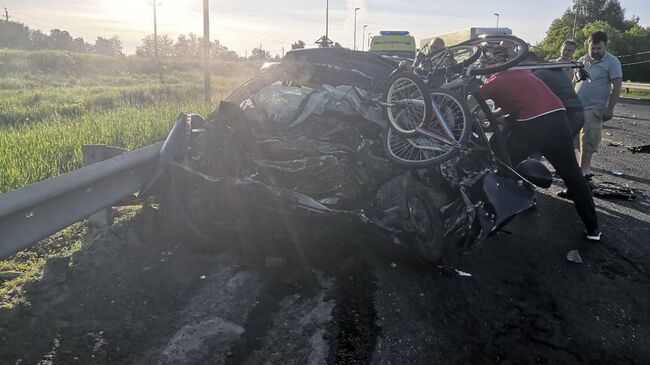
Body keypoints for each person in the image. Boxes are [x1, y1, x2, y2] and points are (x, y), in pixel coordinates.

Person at [470, 49, 601, 241]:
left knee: (501, 163)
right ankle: (593, 230)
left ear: (492, 65)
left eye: (484, 65)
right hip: (559, 119)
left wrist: (474, 114)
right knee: (573, 175)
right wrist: (491, 116)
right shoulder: (523, 73)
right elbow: (514, 103)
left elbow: (466, 105)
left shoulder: (494, 81)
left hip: (533, 125)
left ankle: (493, 213)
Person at [574, 31, 622, 179]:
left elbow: (617, 86)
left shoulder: (612, 62)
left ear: (605, 46)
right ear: (588, 45)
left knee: (589, 139)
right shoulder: (582, 60)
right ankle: (579, 170)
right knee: (575, 140)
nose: (595, 51)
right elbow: (574, 82)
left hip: (595, 108)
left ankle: (584, 172)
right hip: (576, 107)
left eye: (598, 48)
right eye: (592, 48)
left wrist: (610, 108)